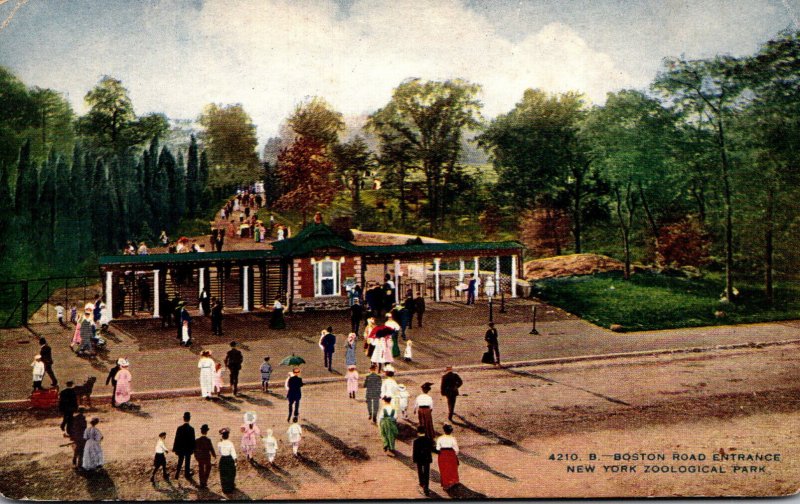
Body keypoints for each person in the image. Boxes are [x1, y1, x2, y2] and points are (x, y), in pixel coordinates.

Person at [436, 424, 460, 490]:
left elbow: (437, 448)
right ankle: (453, 481)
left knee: (444, 469)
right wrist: (455, 455)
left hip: (442, 454)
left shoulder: (440, 438)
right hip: (451, 454)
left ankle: (446, 484)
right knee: (452, 468)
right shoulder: (453, 438)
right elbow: (456, 449)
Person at [173, 412, 196, 480]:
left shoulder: (179, 428)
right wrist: (193, 449)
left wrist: (175, 449)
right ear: (189, 419)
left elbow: (176, 439)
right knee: (187, 461)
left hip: (181, 448)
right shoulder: (191, 429)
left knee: (180, 461)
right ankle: (187, 474)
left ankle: (177, 474)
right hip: (188, 449)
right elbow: (193, 440)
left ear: (183, 418)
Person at [413, 426, 434, 496]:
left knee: (420, 471)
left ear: (418, 432)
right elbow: (432, 449)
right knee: (426, 472)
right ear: (425, 432)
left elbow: (414, 452)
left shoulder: (416, 441)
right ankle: (426, 487)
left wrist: (414, 459)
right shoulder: (428, 440)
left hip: (419, 458)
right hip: (427, 458)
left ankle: (421, 483)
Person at [194, 424, 216, 488]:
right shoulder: (208, 440)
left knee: (201, 469)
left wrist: (196, 456)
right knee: (208, 468)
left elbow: (194, 449)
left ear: (201, 431)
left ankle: (201, 483)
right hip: (206, 457)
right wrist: (214, 455)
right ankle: (205, 481)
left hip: (200, 457)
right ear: (206, 432)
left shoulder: (197, 440)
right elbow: (211, 448)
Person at [217, 428, 237, 493]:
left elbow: (219, 452)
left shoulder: (219, 443)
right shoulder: (230, 443)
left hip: (223, 459)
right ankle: (230, 487)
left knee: (223, 473)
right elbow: (233, 452)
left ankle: (225, 488)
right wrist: (235, 460)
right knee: (231, 473)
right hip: (229, 459)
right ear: (228, 436)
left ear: (222, 436)